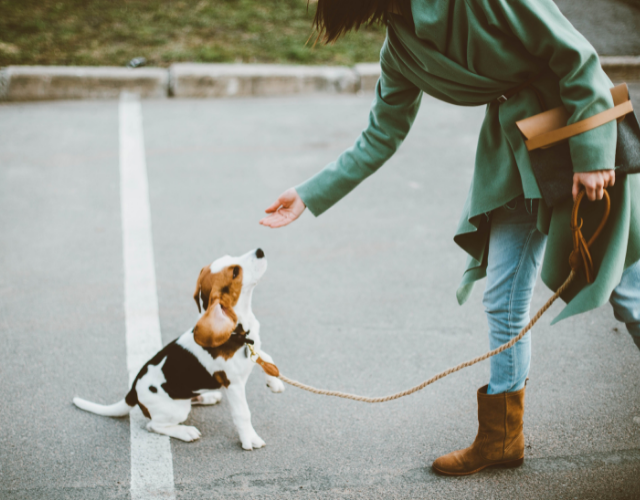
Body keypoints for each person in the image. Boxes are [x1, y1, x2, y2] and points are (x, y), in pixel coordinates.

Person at [259, 0, 640, 476]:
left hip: (580, 135)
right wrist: (308, 194)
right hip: (515, 157)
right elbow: (382, 134)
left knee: (626, 290)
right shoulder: (400, 46)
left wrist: (592, 153)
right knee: (503, 300)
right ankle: (502, 439)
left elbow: (577, 57)